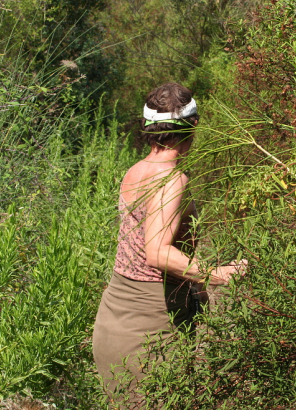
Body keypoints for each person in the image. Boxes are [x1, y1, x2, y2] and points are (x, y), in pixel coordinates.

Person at [92, 82, 246, 406]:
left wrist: (194, 291)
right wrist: (218, 274)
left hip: (114, 319)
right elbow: (156, 252)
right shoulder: (173, 179)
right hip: (148, 329)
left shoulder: (135, 171)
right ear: (193, 125)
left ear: (149, 129)